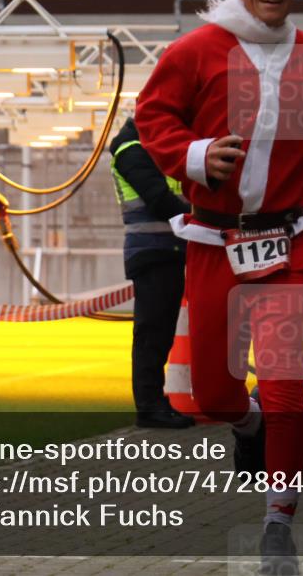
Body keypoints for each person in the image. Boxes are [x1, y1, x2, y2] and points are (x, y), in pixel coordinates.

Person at [135, 0, 303, 572]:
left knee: (287, 388)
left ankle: (278, 521)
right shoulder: (194, 50)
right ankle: (248, 422)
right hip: (214, 243)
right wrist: (194, 154)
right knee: (213, 396)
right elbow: (153, 117)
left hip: (287, 245)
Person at [110, 117, 195, 430]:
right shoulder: (130, 149)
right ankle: (149, 407)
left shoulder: (151, 145)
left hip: (166, 249)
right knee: (152, 334)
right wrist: (205, 220)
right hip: (153, 249)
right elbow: (159, 199)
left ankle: (155, 403)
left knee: (159, 332)